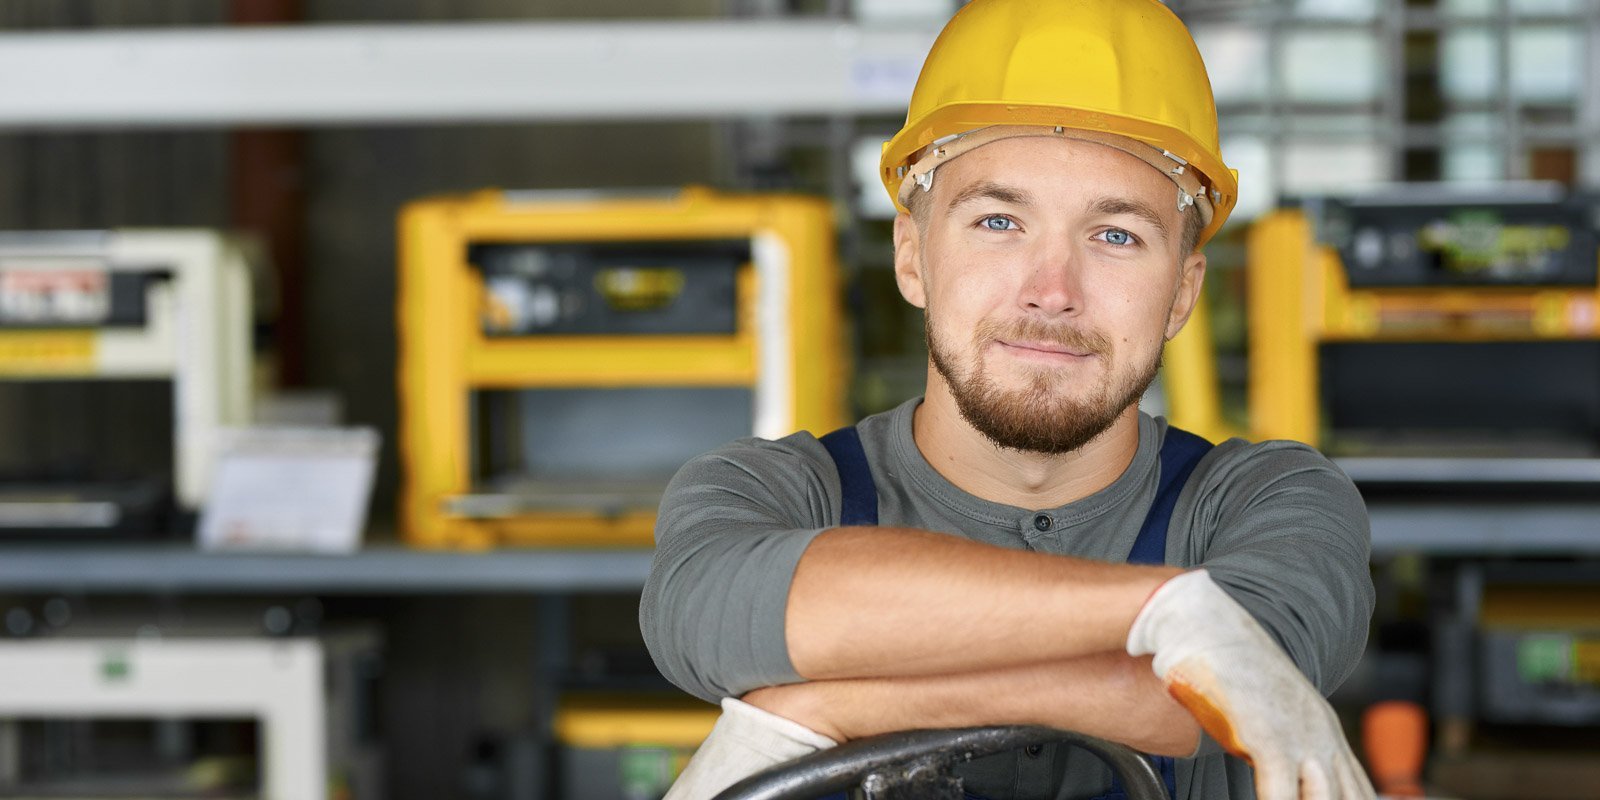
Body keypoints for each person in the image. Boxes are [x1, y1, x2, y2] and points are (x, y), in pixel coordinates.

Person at [641, 1, 1377, 797]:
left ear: (1181, 294)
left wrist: (824, 708)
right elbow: (713, 614)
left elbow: (1243, 685)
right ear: (912, 258)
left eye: (1116, 235)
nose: (1051, 291)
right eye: (999, 221)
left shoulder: (1270, 503)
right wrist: (1170, 614)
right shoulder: (767, 493)